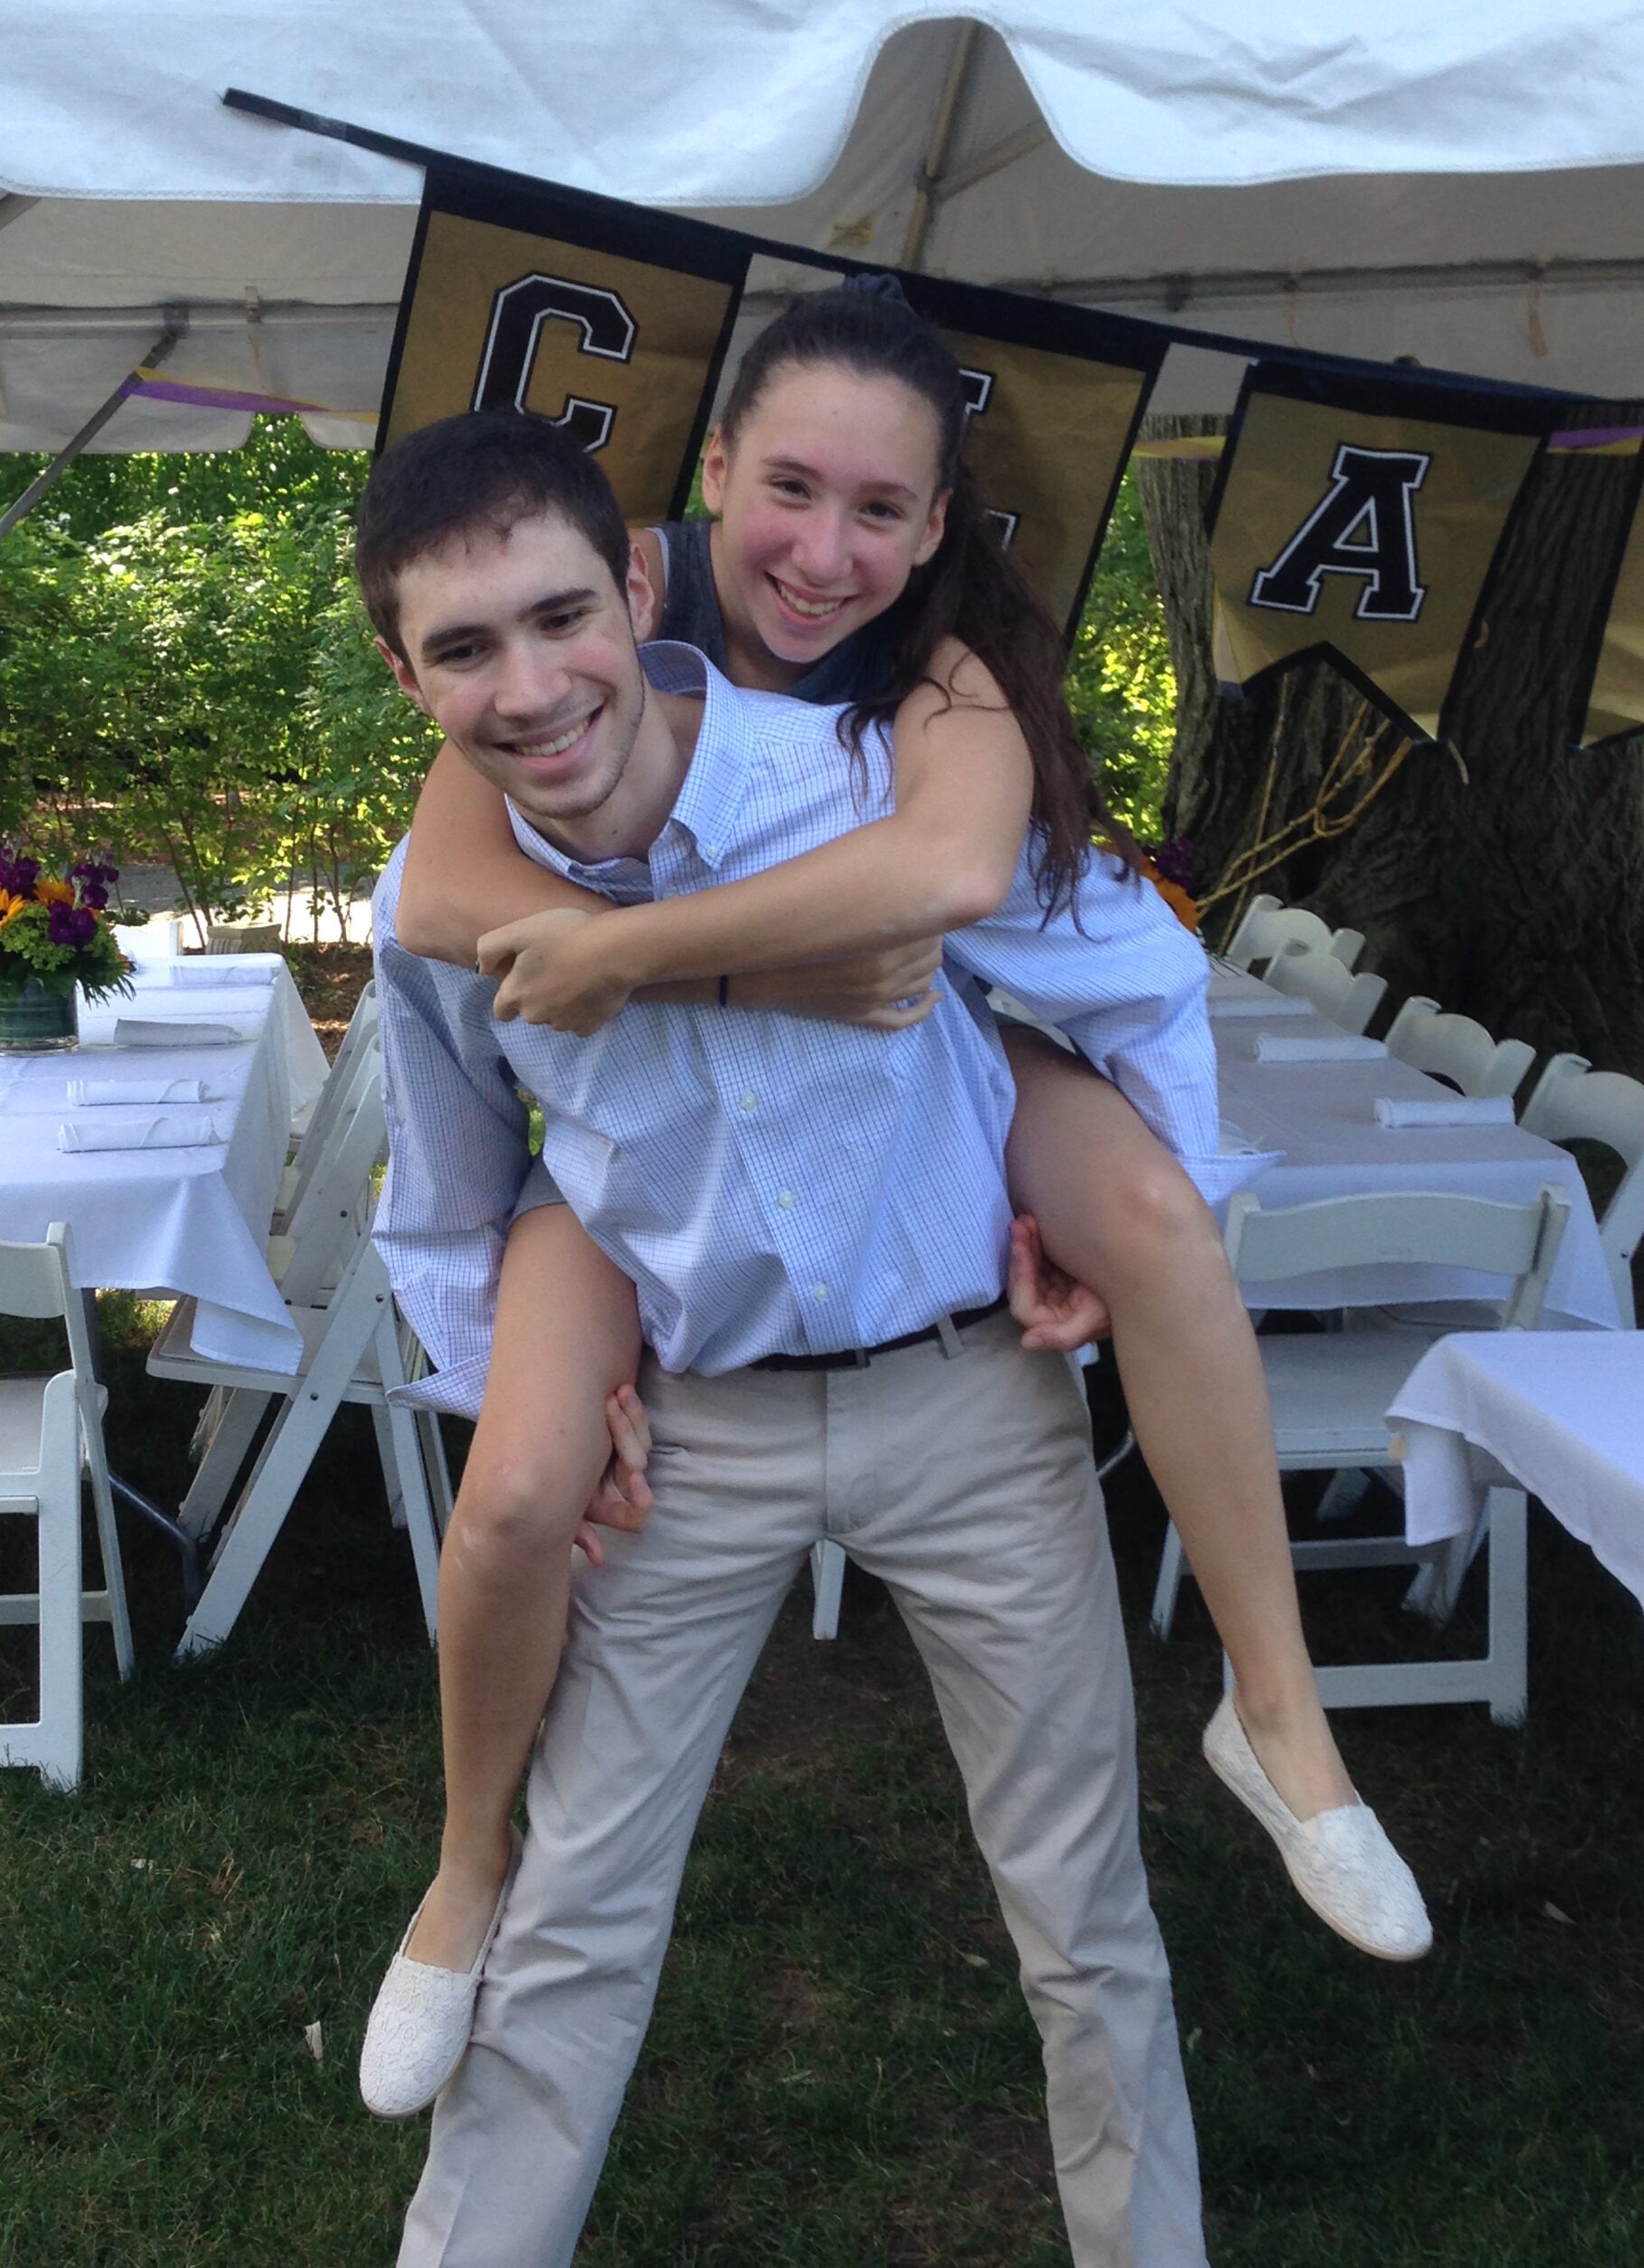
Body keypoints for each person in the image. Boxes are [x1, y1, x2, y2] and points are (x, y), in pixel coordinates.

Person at [363, 286, 1429, 2109]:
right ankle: (466, 1877)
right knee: (519, 1477)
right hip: (652, 1161)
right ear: (701, 486)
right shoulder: (571, 640)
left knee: (1162, 1237)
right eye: (789, 488)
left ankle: (1282, 1712)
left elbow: (947, 878)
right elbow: (454, 904)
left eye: (882, 509)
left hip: (971, 1044)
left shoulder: (943, 681)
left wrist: (645, 964)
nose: (825, 550)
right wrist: (724, 980)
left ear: (940, 525)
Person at [362, 405, 1215, 2263]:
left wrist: (1133, 1209)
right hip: (694, 1429)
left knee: (1086, 1905)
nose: (531, 686)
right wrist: (536, 1397)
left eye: (561, 615)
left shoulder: (877, 791)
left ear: (644, 585)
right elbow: (448, 1190)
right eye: (464, 646)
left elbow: (1128, 971)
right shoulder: (437, 911)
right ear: (400, 666)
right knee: (575, 1908)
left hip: (970, 1393)